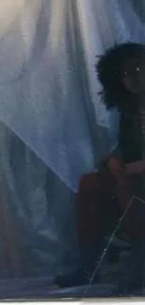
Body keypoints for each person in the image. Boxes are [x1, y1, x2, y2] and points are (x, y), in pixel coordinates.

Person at [55, 42, 145, 292]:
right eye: (126, 74)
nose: (134, 77)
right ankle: (89, 266)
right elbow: (127, 150)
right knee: (90, 185)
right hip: (134, 178)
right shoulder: (130, 110)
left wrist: (128, 170)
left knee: (130, 185)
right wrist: (112, 161)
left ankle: (142, 266)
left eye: (139, 68)